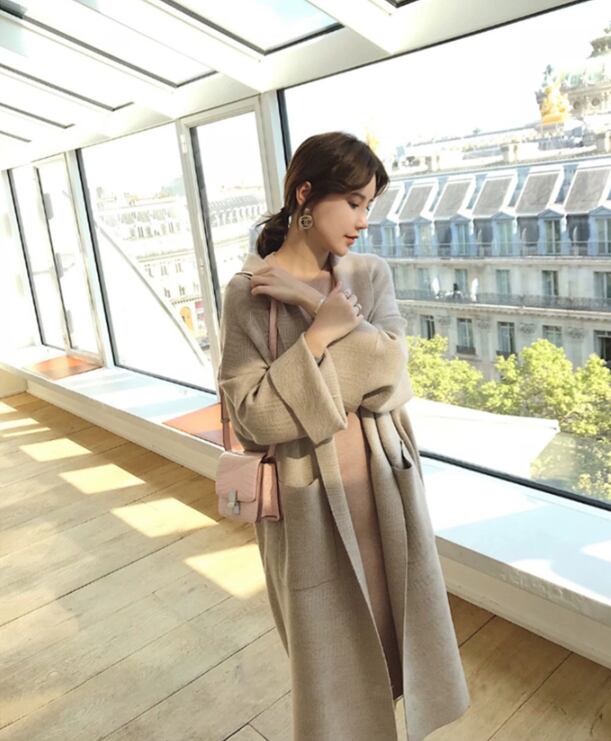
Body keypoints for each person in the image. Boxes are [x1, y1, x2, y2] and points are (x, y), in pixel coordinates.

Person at [218, 132, 470, 741]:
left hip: (384, 483)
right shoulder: (247, 294)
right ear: (306, 195)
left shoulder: (369, 275)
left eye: (369, 206)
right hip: (306, 498)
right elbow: (254, 417)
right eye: (353, 203)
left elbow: (392, 378)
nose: (363, 221)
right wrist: (319, 337)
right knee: (332, 660)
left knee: (399, 628)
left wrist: (312, 303)